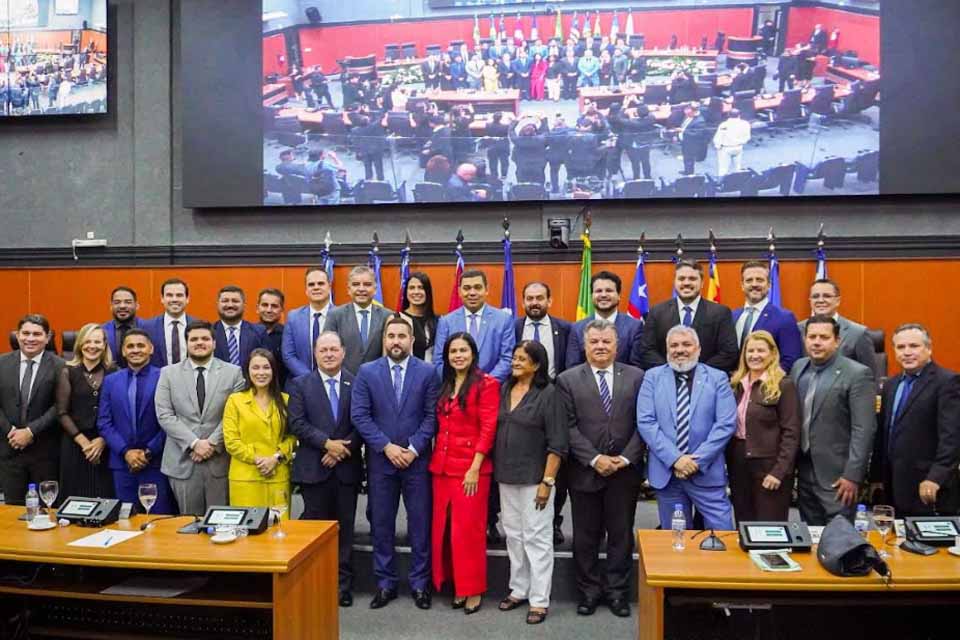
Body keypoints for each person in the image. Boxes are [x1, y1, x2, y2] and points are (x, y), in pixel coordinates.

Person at [558, 319, 645, 618]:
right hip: (585, 471)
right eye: (594, 341)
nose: (600, 346)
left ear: (617, 345)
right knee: (585, 535)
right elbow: (567, 427)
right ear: (585, 345)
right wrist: (595, 459)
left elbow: (643, 423)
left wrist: (625, 458)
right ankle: (589, 591)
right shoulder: (568, 380)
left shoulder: (637, 377)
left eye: (606, 341)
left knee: (621, 534)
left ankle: (618, 592)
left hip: (625, 472)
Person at [352, 316, 441, 610]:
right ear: (384, 339)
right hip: (381, 462)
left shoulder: (428, 372)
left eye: (402, 336)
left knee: (420, 525)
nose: (396, 341)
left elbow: (432, 416)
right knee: (381, 525)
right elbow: (360, 416)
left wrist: (414, 449)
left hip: (417, 463)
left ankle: (419, 584)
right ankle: (385, 583)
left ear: (412, 341)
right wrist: (387, 447)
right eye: (391, 336)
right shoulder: (367, 372)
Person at [637, 324, 737, 531]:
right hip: (668, 472)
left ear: (698, 349)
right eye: (673, 345)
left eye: (686, 344)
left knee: (723, 534)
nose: (680, 350)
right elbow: (646, 422)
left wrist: (694, 462)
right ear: (667, 350)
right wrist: (676, 459)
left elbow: (725, 424)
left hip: (706, 471)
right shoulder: (652, 377)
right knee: (676, 539)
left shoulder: (718, 378)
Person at [288, 331, 363, 607]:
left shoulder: (356, 384)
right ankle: (313, 582)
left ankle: (342, 587)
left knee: (344, 530)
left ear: (343, 352)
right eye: (323, 350)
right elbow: (297, 423)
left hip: (346, 470)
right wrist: (327, 444)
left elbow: (362, 422)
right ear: (315, 354)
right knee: (313, 530)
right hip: (313, 469)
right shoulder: (299, 385)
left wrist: (342, 450)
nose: (329, 354)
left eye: (333, 349)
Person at [495, 341, 567, 625]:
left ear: (536, 365)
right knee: (514, 535)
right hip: (506, 476)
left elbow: (558, 443)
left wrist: (547, 482)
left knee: (537, 539)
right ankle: (519, 589)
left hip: (536, 480)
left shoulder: (549, 394)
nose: (515, 362)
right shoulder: (504, 389)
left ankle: (539, 600)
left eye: (522, 359)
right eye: (514, 357)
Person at [431, 333, 499, 613]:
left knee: (467, 533)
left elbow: (488, 428)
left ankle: (473, 589)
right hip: (442, 469)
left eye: (463, 350)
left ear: (473, 353)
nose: (458, 355)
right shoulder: (445, 384)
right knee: (444, 532)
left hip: (471, 471)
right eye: (453, 351)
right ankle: (455, 584)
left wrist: (475, 467)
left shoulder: (488, 384)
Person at [790, 315, 876, 524]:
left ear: (837, 341)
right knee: (812, 536)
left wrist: (853, 475)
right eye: (812, 337)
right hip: (804, 471)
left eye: (824, 337)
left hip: (838, 477)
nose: (817, 342)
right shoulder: (798, 367)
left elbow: (864, 429)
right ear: (805, 339)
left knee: (840, 539)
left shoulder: (857, 373)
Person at [155, 321, 245, 515]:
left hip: (220, 462)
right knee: (188, 525)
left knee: (220, 524)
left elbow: (235, 415)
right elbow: (165, 414)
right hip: (183, 461)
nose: (199, 343)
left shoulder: (233, 373)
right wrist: (194, 443)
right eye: (194, 339)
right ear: (186, 343)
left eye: (205, 338)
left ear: (214, 343)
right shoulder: (168, 373)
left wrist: (211, 444)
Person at [871, 324, 960, 516]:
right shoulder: (890, 385)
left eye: (914, 346)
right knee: (894, 542)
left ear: (928, 349)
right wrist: (876, 476)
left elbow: (952, 438)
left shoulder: (947, 382)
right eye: (901, 347)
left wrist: (936, 478)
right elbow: (883, 434)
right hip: (892, 485)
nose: (907, 352)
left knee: (928, 544)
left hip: (928, 486)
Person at [515, 281, 571, 542]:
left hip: (554, 399)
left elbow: (569, 367)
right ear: (523, 301)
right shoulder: (513, 328)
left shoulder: (565, 329)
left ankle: (554, 520)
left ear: (550, 301)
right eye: (529, 298)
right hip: (521, 400)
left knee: (555, 461)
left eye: (539, 298)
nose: (534, 302)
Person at [97, 329, 175, 514]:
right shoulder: (110, 381)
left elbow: (171, 420)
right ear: (123, 351)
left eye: (141, 345)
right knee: (126, 519)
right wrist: (126, 452)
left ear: (151, 349)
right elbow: (104, 422)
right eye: (130, 346)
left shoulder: (165, 377)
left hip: (156, 462)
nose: (135, 350)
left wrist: (148, 452)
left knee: (158, 520)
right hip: (121, 464)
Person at [726, 331, 801, 523]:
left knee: (769, 526)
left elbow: (791, 433)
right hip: (739, 462)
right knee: (744, 523)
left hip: (769, 465)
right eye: (750, 350)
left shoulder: (784, 385)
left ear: (772, 354)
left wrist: (779, 472)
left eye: (761, 350)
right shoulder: (736, 385)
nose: (755, 355)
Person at [0, 315, 65, 505]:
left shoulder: (60, 366)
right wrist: (12, 431)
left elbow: (60, 406)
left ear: (47, 337)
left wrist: (30, 431)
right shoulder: (1, 363)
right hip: (9, 450)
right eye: (25, 333)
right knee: (11, 514)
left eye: (37, 334)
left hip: (44, 453)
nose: (30, 339)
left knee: (47, 511)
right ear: (17, 335)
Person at [223, 347, 294, 518]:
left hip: (278, 477)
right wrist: (259, 460)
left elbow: (293, 437)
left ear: (273, 371)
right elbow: (231, 441)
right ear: (248, 371)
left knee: (279, 534)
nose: (261, 372)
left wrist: (275, 458)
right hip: (245, 479)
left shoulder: (286, 400)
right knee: (247, 534)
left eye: (266, 367)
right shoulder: (235, 400)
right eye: (255, 368)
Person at [633, 260, 739, 372]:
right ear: (675, 282)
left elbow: (729, 352)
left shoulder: (721, 313)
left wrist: (699, 373)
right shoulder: (657, 312)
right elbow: (646, 350)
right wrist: (670, 372)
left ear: (702, 282)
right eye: (681, 279)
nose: (686, 283)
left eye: (692, 279)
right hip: (666, 380)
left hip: (707, 381)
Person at [56, 323, 117, 502]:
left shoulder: (115, 372)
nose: (92, 346)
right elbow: (62, 412)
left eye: (97, 342)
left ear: (105, 345)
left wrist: (103, 440)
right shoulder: (67, 371)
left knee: (104, 501)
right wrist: (84, 443)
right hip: (75, 446)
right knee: (74, 502)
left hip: (106, 446)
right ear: (80, 344)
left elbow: (119, 413)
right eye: (88, 341)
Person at [434, 269, 515, 382]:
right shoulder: (446, 321)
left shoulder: (504, 320)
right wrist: (458, 383)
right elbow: (439, 361)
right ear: (459, 291)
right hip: (455, 390)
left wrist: (485, 384)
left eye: (477, 287)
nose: (472, 293)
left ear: (486, 290)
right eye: (467, 288)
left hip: (491, 390)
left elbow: (507, 358)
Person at [798, 279, 879, 379]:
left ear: (837, 300)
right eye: (815, 296)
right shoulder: (798, 329)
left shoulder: (858, 333)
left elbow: (870, 375)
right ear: (810, 301)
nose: (820, 300)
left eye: (827, 296)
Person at [733, 260, 803, 373]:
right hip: (734, 385)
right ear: (742, 285)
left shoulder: (784, 318)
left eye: (759, 280)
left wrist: (763, 381)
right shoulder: (732, 316)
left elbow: (790, 360)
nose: (754, 284)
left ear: (769, 285)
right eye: (749, 280)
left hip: (768, 387)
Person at [325, 265, 394, 376]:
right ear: (348, 289)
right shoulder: (335, 315)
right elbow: (327, 350)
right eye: (356, 284)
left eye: (367, 284)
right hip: (344, 381)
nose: (361, 289)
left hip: (377, 380)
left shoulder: (388, 316)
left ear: (375, 289)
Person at [567, 271, 643, 368]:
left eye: (609, 290)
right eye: (598, 291)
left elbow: (636, 367)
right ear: (591, 296)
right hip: (585, 382)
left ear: (619, 295)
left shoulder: (635, 327)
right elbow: (573, 366)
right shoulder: (577, 328)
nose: (603, 295)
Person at [282, 266, 334, 381]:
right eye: (311, 284)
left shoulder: (341, 315)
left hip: (333, 383)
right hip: (300, 383)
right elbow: (288, 355)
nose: (316, 287)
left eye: (320, 284)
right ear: (306, 289)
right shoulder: (293, 317)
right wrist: (311, 379)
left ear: (329, 287)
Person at [144, 278, 199, 368]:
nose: (174, 299)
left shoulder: (199, 327)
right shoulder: (148, 327)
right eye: (169, 295)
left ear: (187, 299)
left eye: (179, 295)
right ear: (162, 298)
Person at [213, 285, 266, 370]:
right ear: (218, 304)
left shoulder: (259, 332)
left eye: (235, 301)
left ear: (244, 305)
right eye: (225, 301)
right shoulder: (209, 333)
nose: (230, 305)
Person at [102, 286, 146, 368]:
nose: (122, 306)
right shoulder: (102, 331)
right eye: (117, 302)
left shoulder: (148, 328)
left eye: (128, 302)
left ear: (137, 305)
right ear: (111, 306)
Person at [400, 271, 438, 362]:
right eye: (412, 288)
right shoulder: (397, 319)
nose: (416, 292)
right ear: (406, 292)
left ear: (427, 292)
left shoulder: (439, 321)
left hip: (432, 374)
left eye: (421, 288)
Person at [256, 288, 288, 389]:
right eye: (265, 305)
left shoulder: (288, 335)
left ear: (282, 310)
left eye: (274, 306)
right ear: (257, 308)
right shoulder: (248, 334)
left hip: (282, 392)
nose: (269, 310)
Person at [712, 109, 751, 177]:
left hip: (725, 148)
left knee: (723, 169)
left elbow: (718, 137)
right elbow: (747, 137)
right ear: (739, 115)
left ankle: (721, 184)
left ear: (728, 115)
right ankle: (739, 183)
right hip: (739, 148)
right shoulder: (745, 123)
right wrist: (742, 142)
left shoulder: (724, 125)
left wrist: (717, 146)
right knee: (737, 167)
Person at [510, 118, 548, 185]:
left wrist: (516, 120)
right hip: (538, 168)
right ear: (535, 132)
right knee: (538, 187)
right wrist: (543, 120)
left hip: (522, 168)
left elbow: (511, 130)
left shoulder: (518, 141)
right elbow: (546, 132)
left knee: (522, 186)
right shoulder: (539, 140)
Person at [678, 102, 709, 176]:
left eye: (688, 113)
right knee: (686, 157)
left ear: (693, 112)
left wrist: (683, 131)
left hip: (691, 143)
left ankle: (690, 174)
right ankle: (687, 171)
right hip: (685, 140)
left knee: (689, 159)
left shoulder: (700, 121)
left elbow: (696, 134)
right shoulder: (688, 116)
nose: (686, 114)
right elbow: (684, 125)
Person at [545, 114, 572, 193]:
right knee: (566, 171)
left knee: (556, 172)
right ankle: (565, 187)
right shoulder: (567, 130)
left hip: (557, 154)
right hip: (562, 154)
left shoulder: (551, 132)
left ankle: (557, 188)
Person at [484, 112, 511, 181]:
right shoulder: (506, 126)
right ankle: (504, 175)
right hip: (503, 146)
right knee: (504, 161)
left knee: (492, 162)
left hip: (492, 146)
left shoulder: (487, 125)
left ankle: (494, 176)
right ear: (501, 118)